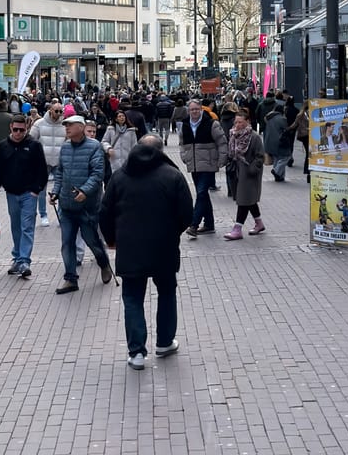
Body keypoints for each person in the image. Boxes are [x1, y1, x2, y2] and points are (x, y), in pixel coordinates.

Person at [100, 134, 193, 370]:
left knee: (132, 297)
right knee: (167, 292)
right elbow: (187, 213)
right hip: (164, 246)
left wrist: (111, 239)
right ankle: (164, 342)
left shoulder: (120, 176)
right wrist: (173, 231)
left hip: (130, 247)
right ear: (161, 151)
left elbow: (105, 212)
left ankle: (137, 352)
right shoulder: (172, 175)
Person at [50, 115, 112, 294]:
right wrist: (55, 191)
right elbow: (60, 172)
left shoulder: (94, 147)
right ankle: (70, 279)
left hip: (87, 206)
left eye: (70, 125)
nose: (67, 128)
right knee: (67, 243)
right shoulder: (65, 147)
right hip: (67, 205)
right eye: (66, 126)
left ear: (80, 127)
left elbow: (97, 174)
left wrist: (85, 191)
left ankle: (104, 263)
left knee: (92, 241)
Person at [0, 114, 48, 278]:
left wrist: (36, 189)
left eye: (21, 130)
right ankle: (17, 257)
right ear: (11, 128)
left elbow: (42, 170)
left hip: (29, 193)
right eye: (15, 129)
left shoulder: (34, 145)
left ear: (26, 129)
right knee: (16, 227)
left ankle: (24, 260)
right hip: (11, 193)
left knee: (27, 226)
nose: (18, 133)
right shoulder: (3, 146)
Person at [179, 98, 227, 238]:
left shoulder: (212, 123)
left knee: (201, 193)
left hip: (208, 164)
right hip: (194, 165)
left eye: (196, 109)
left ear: (201, 109)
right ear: (188, 111)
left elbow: (222, 142)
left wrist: (222, 159)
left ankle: (194, 225)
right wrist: (184, 156)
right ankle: (209, 224)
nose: (194, 112)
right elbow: (182, 143)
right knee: (203, 194)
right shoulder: (185, 124)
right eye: (192, 109)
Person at [223, 110, 266, 240]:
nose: (237, 125)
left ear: (247, 122)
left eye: (240, 122)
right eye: (236, 122)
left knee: (243, 201)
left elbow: (260, 156)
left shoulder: (254, 137)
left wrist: (252, 168)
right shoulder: (233, 135)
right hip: (237, 172)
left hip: (249, 174)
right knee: (249, 200)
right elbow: (231, 153)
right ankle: (259, 223)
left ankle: (237, 229)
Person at [29, 101, 65, 226]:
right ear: (50, 111)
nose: (59, 113)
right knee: (41, 190)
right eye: (56, 111)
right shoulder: (39, 124)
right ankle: (43, 215)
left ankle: (61, 215)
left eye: (61, 111)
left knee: (62, 188)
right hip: (43, 162)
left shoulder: (64, 124)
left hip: (59, 161)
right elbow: (31, 140)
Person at [263, 105, 292, 182]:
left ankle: (280, 177)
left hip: (269, 141)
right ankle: (276, 171)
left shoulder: (269, 118)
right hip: (279, 141)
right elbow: (286, 129)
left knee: (277, 158)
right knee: (286, 157)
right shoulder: (282, 119)